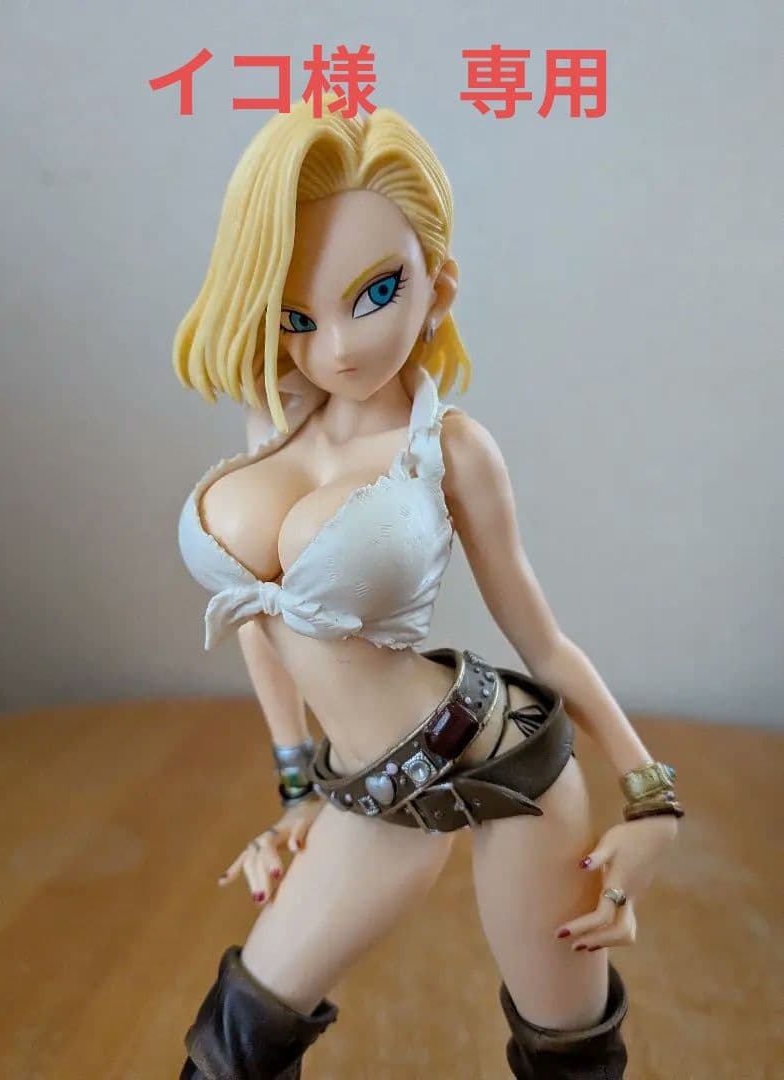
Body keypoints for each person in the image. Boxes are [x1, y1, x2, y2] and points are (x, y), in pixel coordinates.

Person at [173, 93, 684, 1079]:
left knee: (568, 1051)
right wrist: (295, 792)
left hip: (503, 762)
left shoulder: (452, 450)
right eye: (296, 316)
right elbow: (259, 623)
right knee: (236, 1042)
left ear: (437, 286)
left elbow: (544, 643)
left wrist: (651, 800)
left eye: (375, 293)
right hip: (369, 788)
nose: (338, 346)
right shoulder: (272, 425)